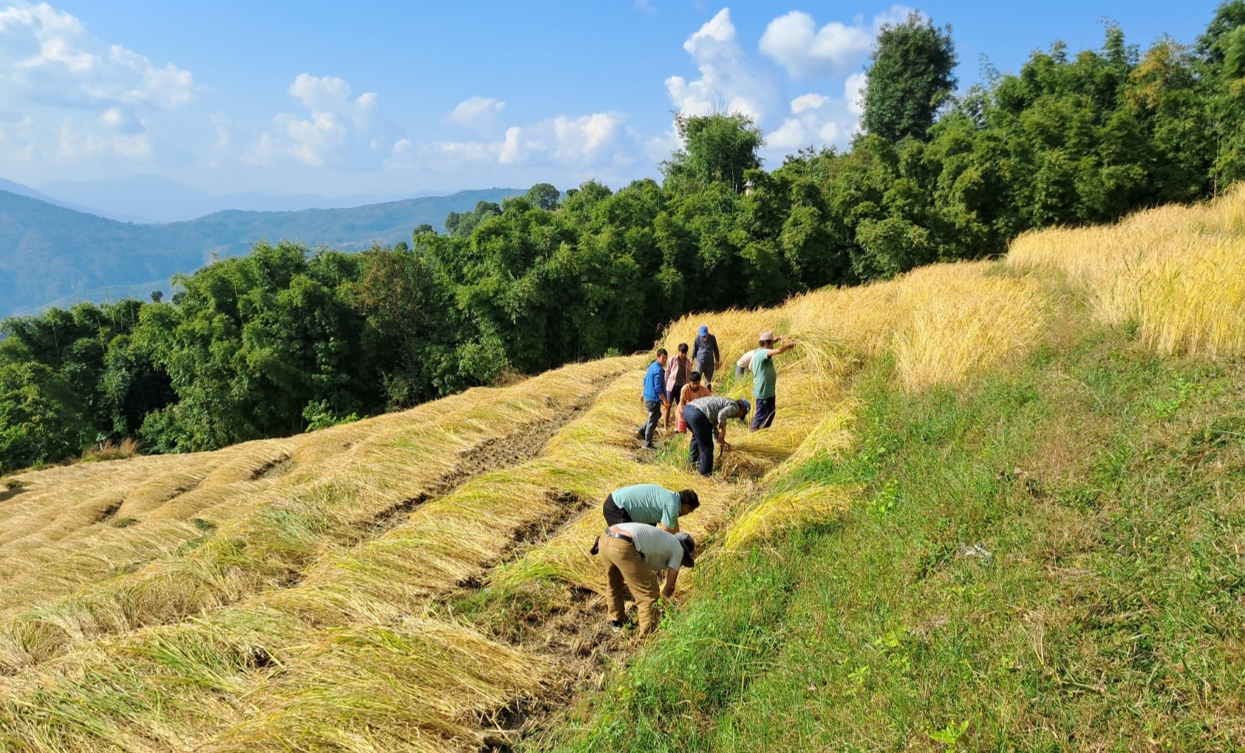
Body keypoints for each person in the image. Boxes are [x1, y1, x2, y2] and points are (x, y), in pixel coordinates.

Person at [599, 521, 696, 635]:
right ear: (686, 552)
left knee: (614, 583)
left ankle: (617, 623)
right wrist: (660, 606)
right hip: (623, 544)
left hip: (605, 538)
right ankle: (648, 636)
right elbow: (670, 587)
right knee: (648, 593)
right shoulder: (679, 549)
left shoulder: (664, 538)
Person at [590, 484, 700, 554]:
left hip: (621, 504)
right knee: (626, 542)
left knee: (648, 532)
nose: (686, 514)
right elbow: (667, 536)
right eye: (689, 512)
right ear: (686, 506)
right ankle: (603, 541)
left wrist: (687, 548)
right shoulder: (672, 506)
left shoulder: (673, 499)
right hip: (617, 507)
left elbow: (675, 531)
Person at [682, 395, 751, 476]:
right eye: (741, 415)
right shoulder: (735, 406)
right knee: (707, 447)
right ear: (742, 410)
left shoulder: (724, 402)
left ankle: (692, 464)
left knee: (697, 438)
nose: (738, 417)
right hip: (698, 415)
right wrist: (723, 431)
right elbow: (721, 415)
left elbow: (712, 427)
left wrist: (721, 442)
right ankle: (705, 474)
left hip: (687, 411)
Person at [747, 330, 796, 431]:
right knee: (760, 415)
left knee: (771, 413)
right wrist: (788, 346)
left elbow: (771, 345)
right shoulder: (762, 353)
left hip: (768, 391)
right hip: (763, 392)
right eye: (771, 343)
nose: (772, 346)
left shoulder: (759, 350)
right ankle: (752, 434)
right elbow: (778, 351)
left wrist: (777, 339)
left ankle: (764, 431)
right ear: (765, 343)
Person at [636, 348, 668, 449]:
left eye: (666, 358)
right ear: (658, 357)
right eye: (663, 358)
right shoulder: (658, 370)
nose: (664, 360)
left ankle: (642, 430)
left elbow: (645, 380)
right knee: (652, 422)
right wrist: (664, 400)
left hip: (647, 397)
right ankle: (647, 444)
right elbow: (657, 387)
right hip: (653, 400)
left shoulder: (652, 366)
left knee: (656, 415)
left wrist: (643, 393)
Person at [664, 343, 692, 433]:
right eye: (681, 352)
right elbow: (667, 372)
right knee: (667, 406)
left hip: (681, 386)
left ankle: (678, 426)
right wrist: (666, 383)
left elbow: (688, 373)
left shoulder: (688, 361)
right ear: (678, 351)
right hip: (671, 386)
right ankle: (665, 427)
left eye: (684, 353)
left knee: (680, 407)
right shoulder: (673, 359)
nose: (683, 355)